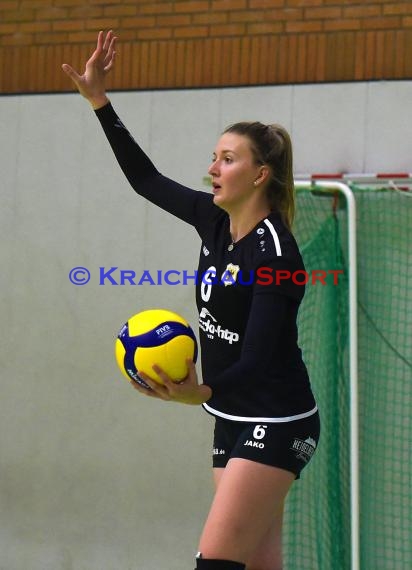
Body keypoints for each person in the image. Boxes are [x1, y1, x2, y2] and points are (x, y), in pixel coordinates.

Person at [62, 30, 320, 570]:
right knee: (258, 563)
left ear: (260, 175)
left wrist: (195, 389)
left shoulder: (275, 254)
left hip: (276, 420)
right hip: (230, 413)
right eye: (214, 158)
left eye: (227, 159)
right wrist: (99, 102)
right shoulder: (214, 220)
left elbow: (253, 359)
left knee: (216, 562)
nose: (213, 169)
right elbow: (145, 179)